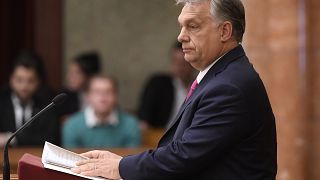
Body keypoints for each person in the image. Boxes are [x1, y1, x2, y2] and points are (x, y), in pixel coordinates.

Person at [71, 0, 277, 179]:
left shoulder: (229, 86)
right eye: (181, 27)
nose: (181, 36)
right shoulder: (223, 76)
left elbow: (184, 155)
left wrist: (120, 167)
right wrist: (122, 163)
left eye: (193, 26)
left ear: (224, 31)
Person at [62, 75, 141, 148]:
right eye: (97, 92)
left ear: (116, 96)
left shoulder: (131, 124)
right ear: (88, 96)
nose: (103, 97)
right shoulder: (72, 125)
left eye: (108, 92)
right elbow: (70, 158)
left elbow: (132, 160)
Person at [0, 51, 60, 146]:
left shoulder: (48, 104)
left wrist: (12, 138)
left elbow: (50, 139)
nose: (24, 87)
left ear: (39, 81)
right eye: (19, 80)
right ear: (11, 78)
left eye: (30, 81)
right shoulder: (2, 102)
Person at [138, 41, 195, 129]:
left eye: (184, 63)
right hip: (159, 137)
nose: (179, 67)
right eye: (175, 62)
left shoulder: (200, 87)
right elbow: (143, 121)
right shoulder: (158, 84)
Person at [58, 52, 101, 119]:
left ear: (89, 75)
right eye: (70, 72)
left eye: (76, 73)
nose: (69, 77)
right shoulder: (64, 96)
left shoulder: (102, 95)